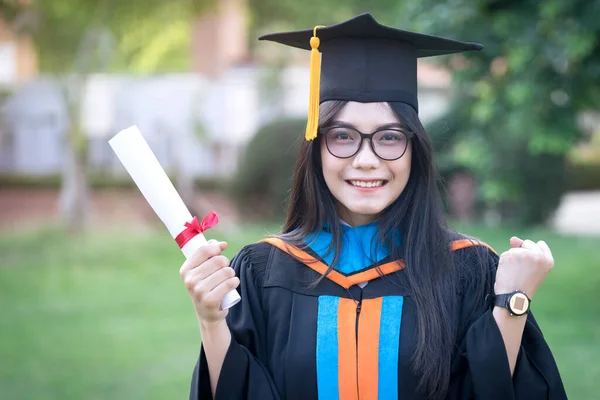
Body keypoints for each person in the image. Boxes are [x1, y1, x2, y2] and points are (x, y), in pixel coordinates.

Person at [180, 13, 567, 400]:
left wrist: (513, 302)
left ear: (415, 151)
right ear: (315, 149)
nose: (366, 159)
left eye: (389, 136)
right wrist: (210, 319)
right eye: (343, 136)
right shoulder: (263, 272)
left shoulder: (468, 270)